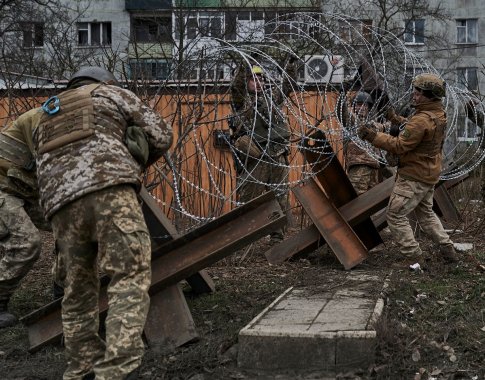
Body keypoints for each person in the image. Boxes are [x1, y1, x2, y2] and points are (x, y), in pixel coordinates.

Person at [14, 66, 173, 380]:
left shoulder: (47, 112)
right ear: (104, 81)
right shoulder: (109, 93)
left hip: (60, 205)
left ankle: (81, 367)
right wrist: (137, 156)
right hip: (109, 189)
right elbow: (162, 134)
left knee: (77, 288)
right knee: (128, 275)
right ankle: (116, 369)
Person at [358, 73, 458, 263]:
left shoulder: (421, 120)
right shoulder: (437, 114)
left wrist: (372, 136)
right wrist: (394, 118)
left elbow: (400, 145)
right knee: (427, 215)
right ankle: (448, 250)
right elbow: (414, 131)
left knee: (395, 215)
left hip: (413, 176)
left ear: (429, 95)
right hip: (428, 173)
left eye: (418, 93)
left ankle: (414, 258)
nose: (414, 95)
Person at [230, 60, 296, 244]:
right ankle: (242, 239)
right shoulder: (241, 101)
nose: (258, 82)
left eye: (260, 79)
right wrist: (244, 65)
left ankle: (278, 238)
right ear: (246, 82)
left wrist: (290, 64)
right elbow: (236, 88)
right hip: (255, 157)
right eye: (253, 79)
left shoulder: (271, 98)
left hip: (276, 154)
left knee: (280, 197)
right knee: (249, 199)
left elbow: (287, 85)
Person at [0, 111, 45, 328]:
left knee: (72, 225)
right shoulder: (46, 116)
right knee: (26, 242)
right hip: (2, 187)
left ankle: (63, 287)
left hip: (23, 190)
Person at [343, 91, 386, 195]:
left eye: (365, 105)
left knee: (372, 200)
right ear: (353, 107)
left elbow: (388, 128)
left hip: (374, 167)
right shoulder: (352, 121)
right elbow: (343, 112)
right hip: (359, 166)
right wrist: (342, 95)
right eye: (358, 104)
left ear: (368, 107)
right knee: (358, 197)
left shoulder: (374, 125)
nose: (362, 107)